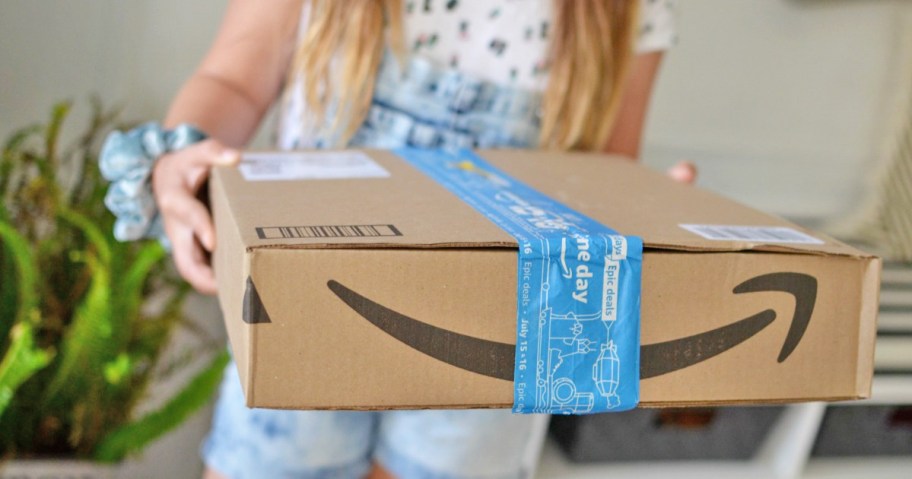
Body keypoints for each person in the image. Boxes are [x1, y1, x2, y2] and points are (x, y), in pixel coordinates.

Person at [110, 1, 694, 478]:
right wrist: (183, 157)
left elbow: (606, 173)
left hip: (501, 338)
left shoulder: (627, 11)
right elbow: (232, 79)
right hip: (307, 311)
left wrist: (642, 207)